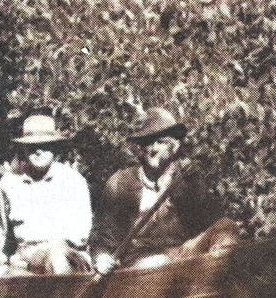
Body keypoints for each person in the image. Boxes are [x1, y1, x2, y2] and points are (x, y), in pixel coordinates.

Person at [90, 107, 239, 271]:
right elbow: (102, 235)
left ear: (175, 146)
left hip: (183, 255)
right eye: (147, 143)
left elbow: (210, 220)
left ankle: (217, 285)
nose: (153, 149)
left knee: (227, 226)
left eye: (160, 142)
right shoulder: (121, 182)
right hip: (139, 263)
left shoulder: (187, 178)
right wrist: (101, 256)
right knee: (158, 262)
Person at [0, 114, 93, 275]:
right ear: (24, 148)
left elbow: (80, 235)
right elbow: (5, 236)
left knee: (56, 257)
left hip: (68, 258)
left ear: (54, 148)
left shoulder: (72, 181)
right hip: (25, 260)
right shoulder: (9, 183)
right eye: (32, 146)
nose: (38, 151)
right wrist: (3, 261)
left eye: (45, 145)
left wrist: (47, 249)